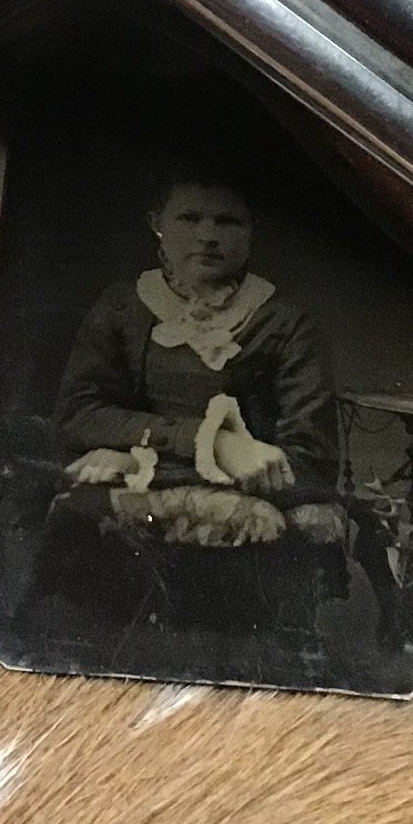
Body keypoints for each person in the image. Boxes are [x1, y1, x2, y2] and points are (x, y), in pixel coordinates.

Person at [54, 176, 341, 547]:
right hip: (143, 499)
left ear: (252, 229)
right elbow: (78, 418)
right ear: (157, 224)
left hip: (249, 506)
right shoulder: (122, 308)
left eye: (227, 221)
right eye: (189, 219)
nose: (207, 236)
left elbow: (311, 463)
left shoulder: (287, 324)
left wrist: (141, 464)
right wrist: (211, 442)